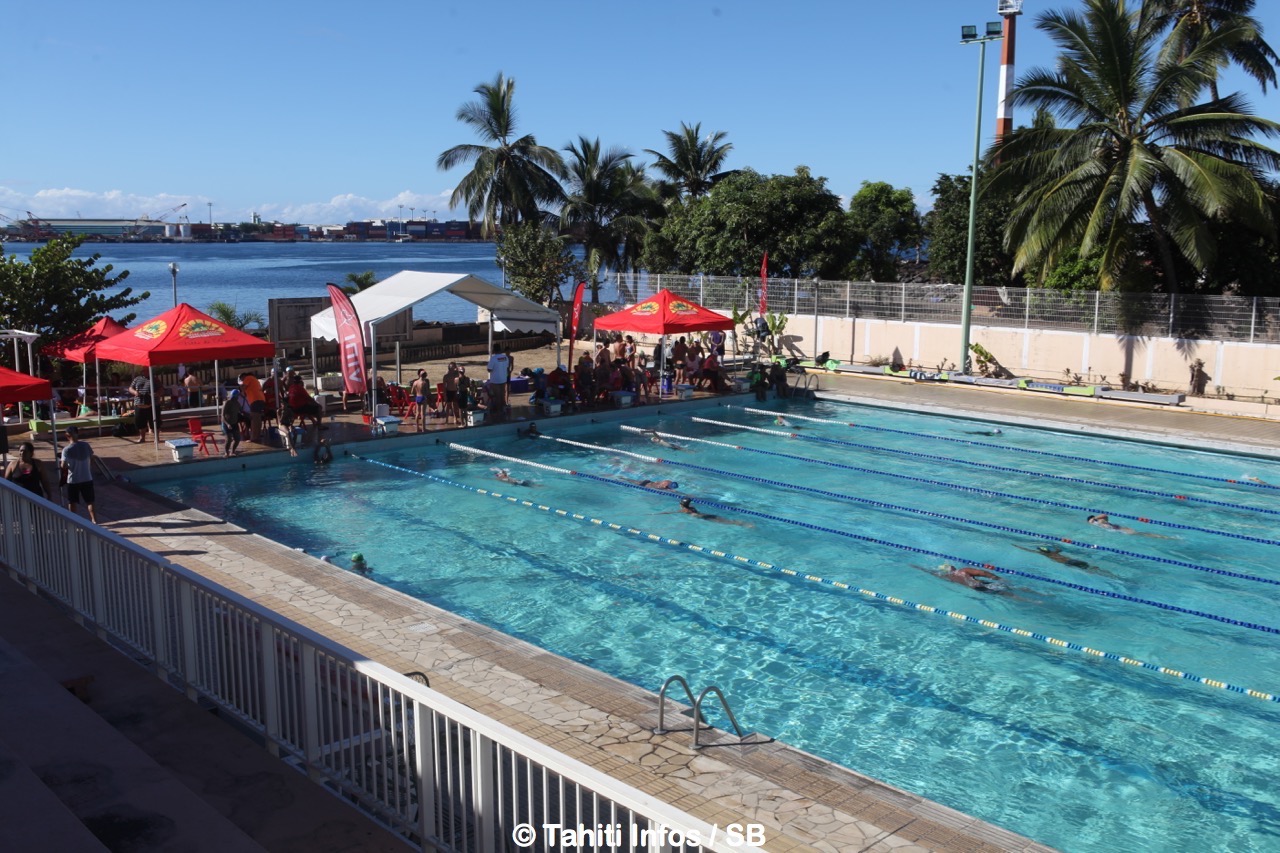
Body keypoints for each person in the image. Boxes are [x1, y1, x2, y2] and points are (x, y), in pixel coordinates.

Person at [60, 426, 97, 523]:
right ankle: (94, 520)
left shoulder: (66, 450)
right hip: (87, 477)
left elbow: (63, 465)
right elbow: (92, 458)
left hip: (73, 480)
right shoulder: (86, 446)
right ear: (78, 433)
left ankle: (73, 521)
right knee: (90, 501)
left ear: (67, 435)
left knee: (72, 502)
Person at [676, 497, 752, 526]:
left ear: (682, 505)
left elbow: (686, 512)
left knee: (726, 522)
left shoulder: (685, 510)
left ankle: (742, 523)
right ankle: (741, 522)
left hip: (704, 517)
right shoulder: (692, 507)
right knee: (726, 520)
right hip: (706, 514)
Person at [938, 563, 1005, 591]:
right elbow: (983, 573)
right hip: (980, 585)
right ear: (952, 567)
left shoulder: (949, 577)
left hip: (976, 589)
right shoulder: (963, 571)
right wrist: (999, 579)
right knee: (1007, 590)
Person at [240, 372, 266, 441]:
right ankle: (257, 436)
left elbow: (243, 387)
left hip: (255, 400)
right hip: (261, 399)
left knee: (253, 419)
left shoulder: (248, 378)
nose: (242, 381)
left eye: (242, 380)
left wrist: (242, 391)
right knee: (258, 419)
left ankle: (253, 438)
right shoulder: (254, 379)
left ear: (244, 376)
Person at [129, 372, 154, 444]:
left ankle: (156, 437)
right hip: (138, 403)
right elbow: (130, 388)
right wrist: (134, 392)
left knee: (153, 421)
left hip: (149, 403)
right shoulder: (137, 379)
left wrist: (155, 394)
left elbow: (160, 388)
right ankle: (142, 437)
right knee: (140, 422)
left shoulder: (153, 379)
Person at [221, 388, 244, 456]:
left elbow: (241, 410)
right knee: (229, 439)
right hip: (226, 423)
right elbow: (222, 415)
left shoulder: (237, 403)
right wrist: (227, 424)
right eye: (238, 396)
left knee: (237, 439)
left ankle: (233, 451)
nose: (238, 397)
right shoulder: (227, 403)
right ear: (235, 396)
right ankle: (226, 452)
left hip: (234, 423)